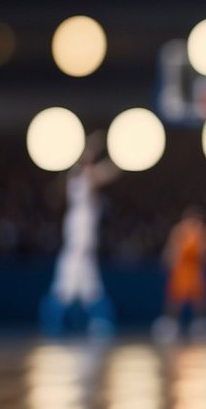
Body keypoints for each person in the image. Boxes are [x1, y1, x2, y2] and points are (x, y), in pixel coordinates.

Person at [40, 131, 120, 335]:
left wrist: (95, 144)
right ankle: (52, 325)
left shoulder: (77, 175)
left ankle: (98, 324)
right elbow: (106, 172)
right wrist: (120, 155)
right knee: (64, 288)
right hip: (77, 245)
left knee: (91, 289)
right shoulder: (81, 177)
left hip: (85, 247)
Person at [153, 206, 206, 342]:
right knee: (175, 298)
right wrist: (169, 261)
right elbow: (172, 249)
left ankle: (201, 325)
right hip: (181, 270)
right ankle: (170, 324)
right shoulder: (179, 230)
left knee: (199, 299)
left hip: (195, 269)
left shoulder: (203, 231)